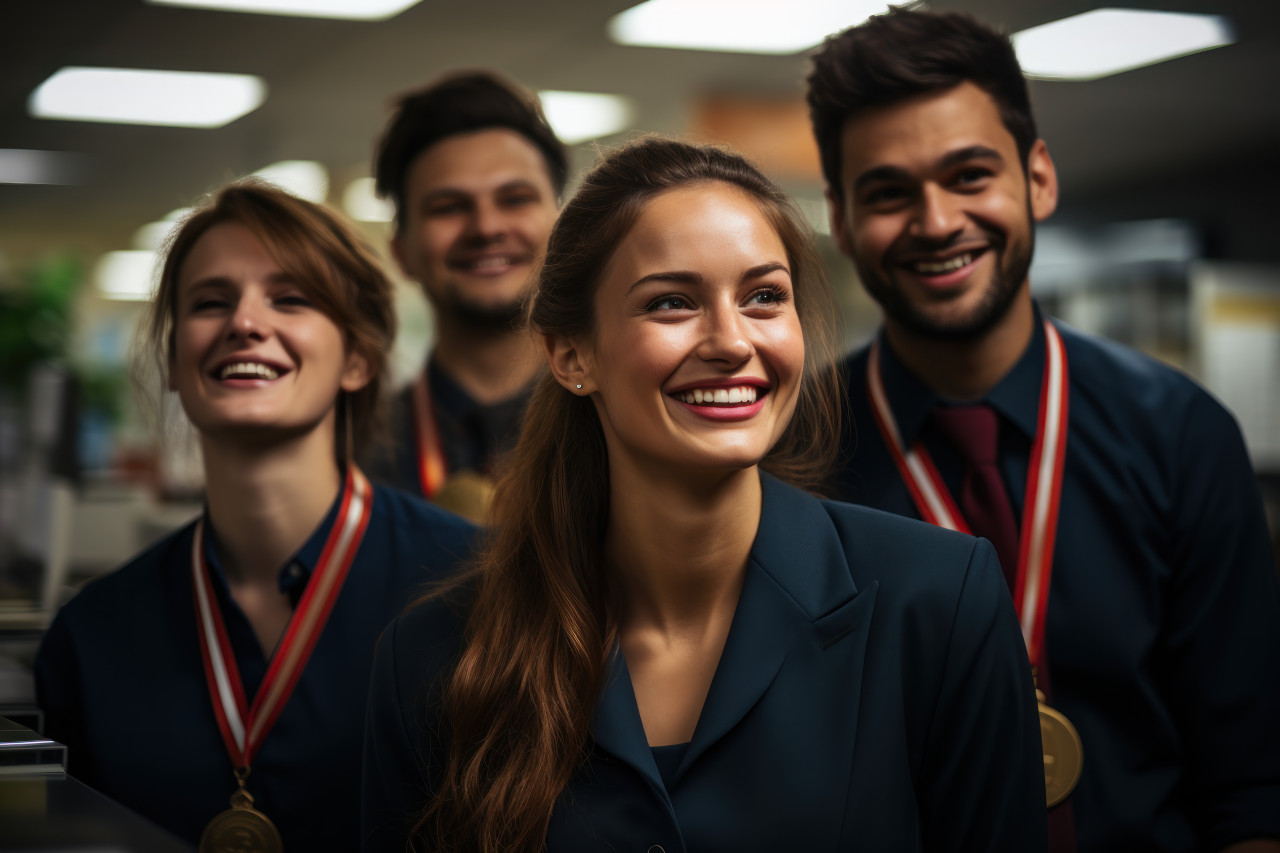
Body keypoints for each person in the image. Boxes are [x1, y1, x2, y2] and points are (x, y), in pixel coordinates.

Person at [362, 137, 1047, 852]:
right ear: (571, 354)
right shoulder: (434, 655)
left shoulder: (939, 603)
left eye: (763, 297)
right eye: (672, 302)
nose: (731, 339)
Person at [806, 8, 1280, 853]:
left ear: (1039, 179)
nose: (937, 220)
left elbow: (1249, 784)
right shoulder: (797, 454)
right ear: (841, 222)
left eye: (969, 175)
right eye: (887, 192)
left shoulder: (1180, 435)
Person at [35, 181, 475, 852]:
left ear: (357, 357)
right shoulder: (92, 637)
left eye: (290, 298)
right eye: (211, 302)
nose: (244, 321)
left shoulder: (482, 587)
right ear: (177, 361)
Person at [363, 71, 566, 520]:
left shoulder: (629, 423)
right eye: (448, 207)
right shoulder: (356, 457)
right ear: (402, 252)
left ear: (564, 230)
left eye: (514, 198)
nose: (487, 228)